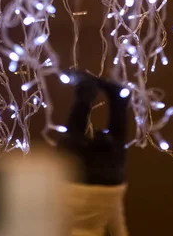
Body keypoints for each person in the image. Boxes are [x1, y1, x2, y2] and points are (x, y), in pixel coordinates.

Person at [58, 71, 129, 236]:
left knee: (117, 141)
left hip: (109, 188)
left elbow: (117, 223)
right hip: (73, 185)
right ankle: (86, 90)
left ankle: (118, 98)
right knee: (72, 138)